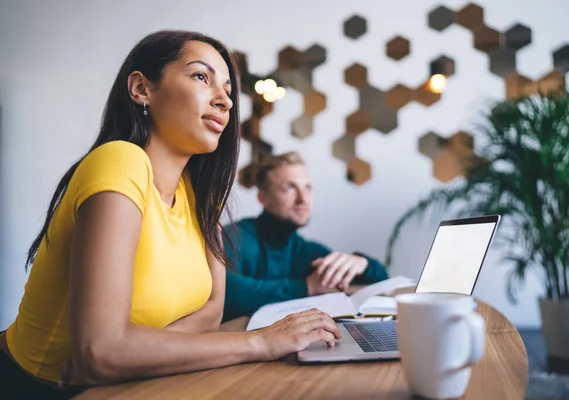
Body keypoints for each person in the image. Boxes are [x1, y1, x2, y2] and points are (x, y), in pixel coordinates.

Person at [0, 30, 340, 399]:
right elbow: (102, 352)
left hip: (130, 385)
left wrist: (128, 353)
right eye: (201, 76)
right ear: (141, 89)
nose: (225, 100)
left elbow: (212, 313)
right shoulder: (121, 161)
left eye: (227, 88)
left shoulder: (201, 193)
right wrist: (261, 342)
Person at [222, 152, 389, 322]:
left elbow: (383, 286)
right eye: (289, 188)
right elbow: (223, 291)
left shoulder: (309, 251)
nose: (302, 199)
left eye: (307, 188)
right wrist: (307, 286)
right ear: (263, 198)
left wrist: (363, 264)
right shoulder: (234, 237)